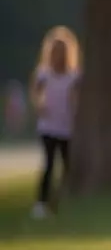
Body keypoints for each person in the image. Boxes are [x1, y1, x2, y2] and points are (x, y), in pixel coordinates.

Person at [29, 26, 81, 218]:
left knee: (67, 166)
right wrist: (39, 106)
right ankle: (41, 203)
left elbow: (77, 98)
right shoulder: (44, 74)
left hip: (66, 126)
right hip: (48, 126)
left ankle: (62, 201)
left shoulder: (74, 76)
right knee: (49, 165)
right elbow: (35, 92)